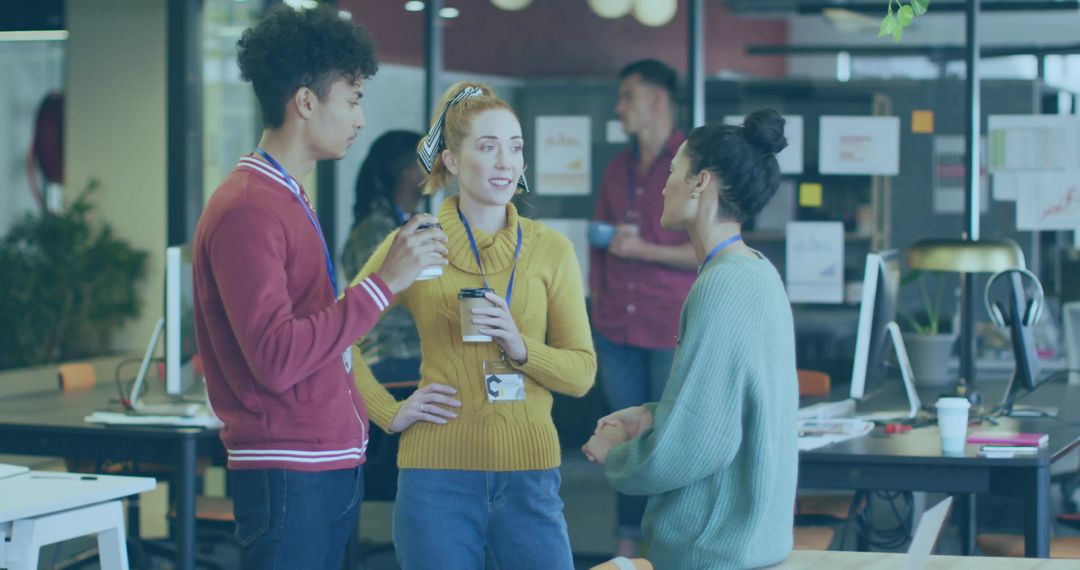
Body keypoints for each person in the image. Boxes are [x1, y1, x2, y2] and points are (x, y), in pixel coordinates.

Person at [191, 5, 447, 568]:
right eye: (352, 100)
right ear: (306, 102)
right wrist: (383, 286)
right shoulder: (249, 208)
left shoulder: (286, 197)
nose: (359, 119)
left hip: (322, 460)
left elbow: (318, 339)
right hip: (289, 469)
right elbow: (277, 358)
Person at [349, 81, 597, 570]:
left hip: (530, 475)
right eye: (488, 147)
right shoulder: (416, 242)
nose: (506, 161)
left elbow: (582, 372)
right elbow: (336, 333)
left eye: (515, 146)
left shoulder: (552, 249)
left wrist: (520, 345)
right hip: (434, 476)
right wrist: (387, 412)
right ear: (452, 162)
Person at [582, 110, 799, 570]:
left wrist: (617, 456)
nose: (664, 185)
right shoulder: (755, 271)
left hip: (709, 551)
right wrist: (649, 415)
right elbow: (728, 410)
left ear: (700, 182)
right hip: (747, 546)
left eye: (673, 171)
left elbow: (701, 441)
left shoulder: (721, 285)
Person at [589, 58, 697, 555]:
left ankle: (669, 550)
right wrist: (596, 311)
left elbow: (706, 249)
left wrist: (643, 250)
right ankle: (627, 554)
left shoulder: (692, 163)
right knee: (624, 447)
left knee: (668, 444)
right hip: (616, 329)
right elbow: (599, 243)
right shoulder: (617, 167)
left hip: (668, 329)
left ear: (656, 98)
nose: (620, 107)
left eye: (627, 96)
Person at [341, 130, 426, 382]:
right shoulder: (374, 231)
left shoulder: (409, 223)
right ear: (408, 173)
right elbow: (382, 307)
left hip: (412, 358)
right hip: (390, 361)